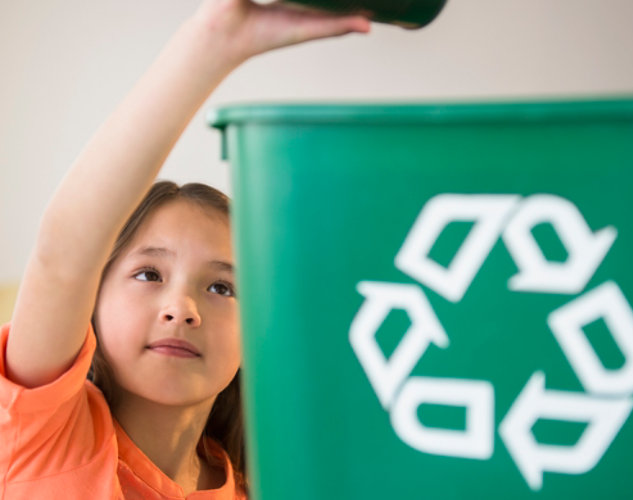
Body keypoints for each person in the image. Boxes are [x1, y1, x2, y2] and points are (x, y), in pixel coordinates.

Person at [0, 1, 370, 498]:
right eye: (149, 274)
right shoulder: (45, 437)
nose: (182, 310)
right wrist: (210, 44)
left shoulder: (263, 484)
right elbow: (61, 256)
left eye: (222, 286)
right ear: (91, 301)